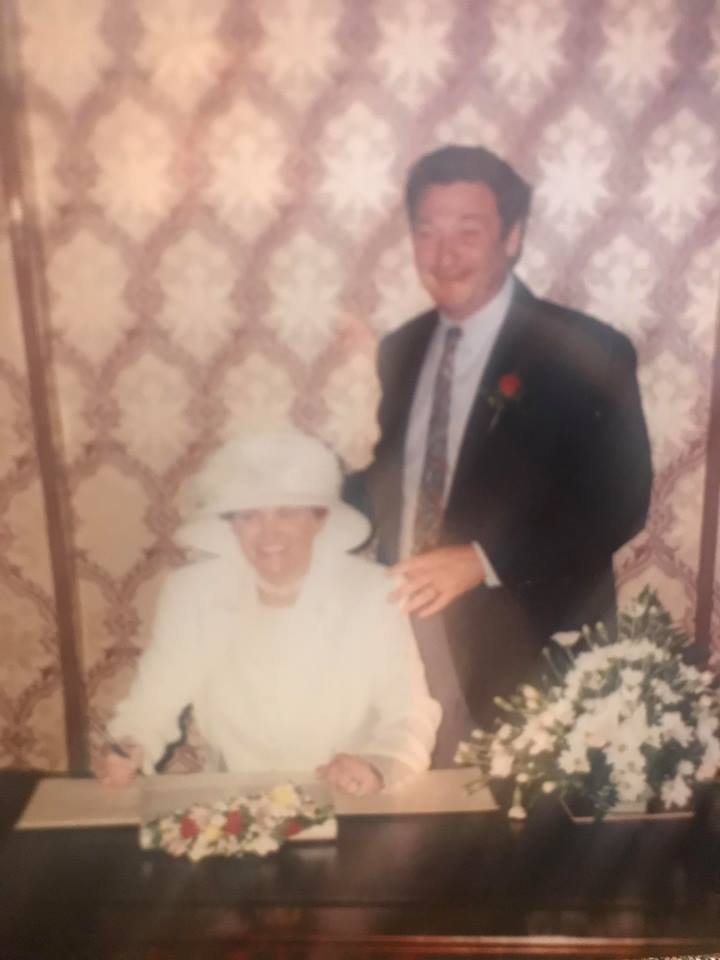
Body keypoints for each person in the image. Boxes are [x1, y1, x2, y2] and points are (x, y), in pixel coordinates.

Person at [347, 144, 652, 759]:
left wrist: (483, 560)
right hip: (403, 637)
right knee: (411, 836)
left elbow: (619, 503)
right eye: (427, 231)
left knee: (524, 844)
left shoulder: (586, 350)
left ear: (512, 238)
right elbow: (395, 472)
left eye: (469, 230)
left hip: (528, 649)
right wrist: (296, 505)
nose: (443, 253)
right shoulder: (401, 349)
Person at [95, 430, 440, 796]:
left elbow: (410, 712)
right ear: (232, 525)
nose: (268, 533)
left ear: (318, 520)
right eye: (249, 517)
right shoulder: (193, 592)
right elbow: (154, 700)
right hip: (234, 803)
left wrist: (377, 767)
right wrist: (130, 746)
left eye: (287, 513)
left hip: (348, 797)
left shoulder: (373, 592)